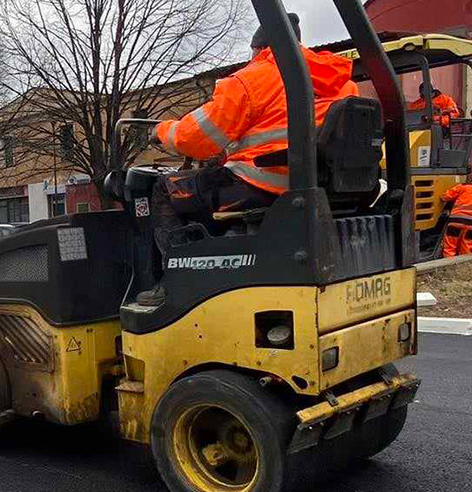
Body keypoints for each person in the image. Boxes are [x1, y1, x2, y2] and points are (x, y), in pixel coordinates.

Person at [140, 13, 358, 306]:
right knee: (209, 180)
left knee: (166, 190)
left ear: (258, 48)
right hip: (317, 184)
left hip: (263, 183)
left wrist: (161, 131)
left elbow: (196, 137)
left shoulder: (253, 78)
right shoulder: (340, 82)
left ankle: (175, 285)